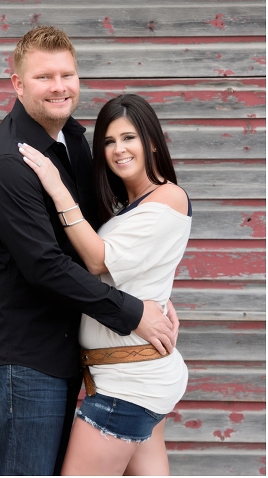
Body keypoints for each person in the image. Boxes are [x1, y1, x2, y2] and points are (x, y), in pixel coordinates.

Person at [0, 26, 179, 476]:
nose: (59, 86)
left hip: (62, 354)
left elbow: (100, 240)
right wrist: (133, 311)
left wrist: (149, 289)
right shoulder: (8, 163)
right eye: (44, 77)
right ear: (17, 84)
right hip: (20, 356)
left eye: (67, 74)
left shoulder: (74, 142)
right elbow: (44, 265)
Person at [18, 94, 190, 475]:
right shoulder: (131, 207)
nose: (118, 149)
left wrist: (55, 184)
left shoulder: (168, 196)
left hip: (130, 383)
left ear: (153, 141)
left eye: (129, 138)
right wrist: (161, 295)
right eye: (109, 142)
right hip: (128, 375)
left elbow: (97, 259)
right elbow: (145, 264)